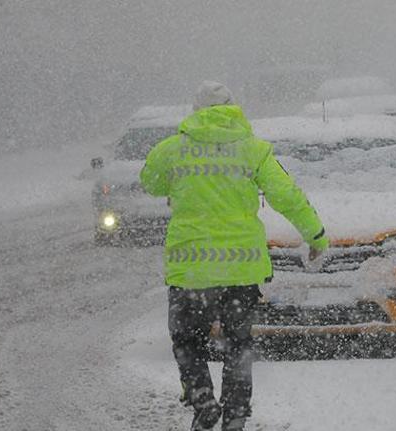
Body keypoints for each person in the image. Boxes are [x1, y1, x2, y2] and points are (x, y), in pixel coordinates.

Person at [140, 81, 329, 431]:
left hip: (191, 268)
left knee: (187, 339)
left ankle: (202, 399)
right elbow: (286, 195)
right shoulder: (253, 151)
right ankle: (237, 415)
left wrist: (180, 184)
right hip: (241, 267)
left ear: (196, 111)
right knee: (238, 342)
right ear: (233, 109)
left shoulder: (172, 149)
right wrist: (314, 234)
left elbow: (150, 182)